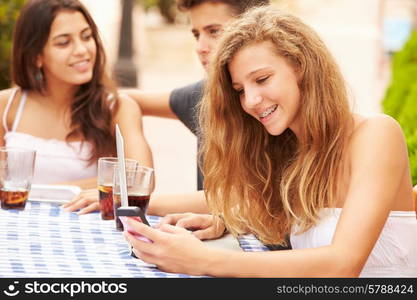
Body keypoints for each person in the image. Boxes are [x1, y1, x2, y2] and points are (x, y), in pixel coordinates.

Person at [123, 7, 417, 277]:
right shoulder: (289, 151)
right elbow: (238, 202)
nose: (250, 101)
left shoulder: (376, 135)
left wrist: (202, 260)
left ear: (301, 67)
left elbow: (342, 265)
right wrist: (221, 220)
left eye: (262, 79)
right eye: (239, 90)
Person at [66, 0, 270, 215]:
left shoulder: (271, 103)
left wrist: (128, 200)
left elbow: (243, 197)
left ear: (253, 28)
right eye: (196, 35)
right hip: (213, 235)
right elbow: (126, 99)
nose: (200, 47)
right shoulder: (205, 94)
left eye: (214, 31)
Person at [0, 0, 153, 199]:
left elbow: (141, 181)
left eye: (87, 37)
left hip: (88, 226)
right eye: (64, 42)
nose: (82, 50)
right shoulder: (7, 106)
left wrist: (35, 190)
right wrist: (100, 184)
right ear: (36, 56)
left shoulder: (118, 108)